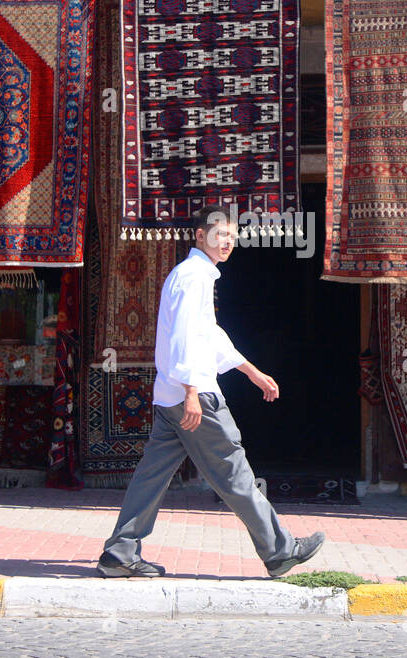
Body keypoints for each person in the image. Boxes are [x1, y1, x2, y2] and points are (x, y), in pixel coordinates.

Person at [98, 205, 325, 578]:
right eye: (220, 235)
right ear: (200, 236)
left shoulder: (196, 275)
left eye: (233, 237)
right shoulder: (194, 277)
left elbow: (210, 335)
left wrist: (251, 371)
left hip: (171, 395)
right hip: (194, 396)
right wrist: (191, 390)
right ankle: (281, 551)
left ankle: (120, 552)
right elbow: (185, 336)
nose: (227, 243)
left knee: (151, 476)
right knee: (233, 472)